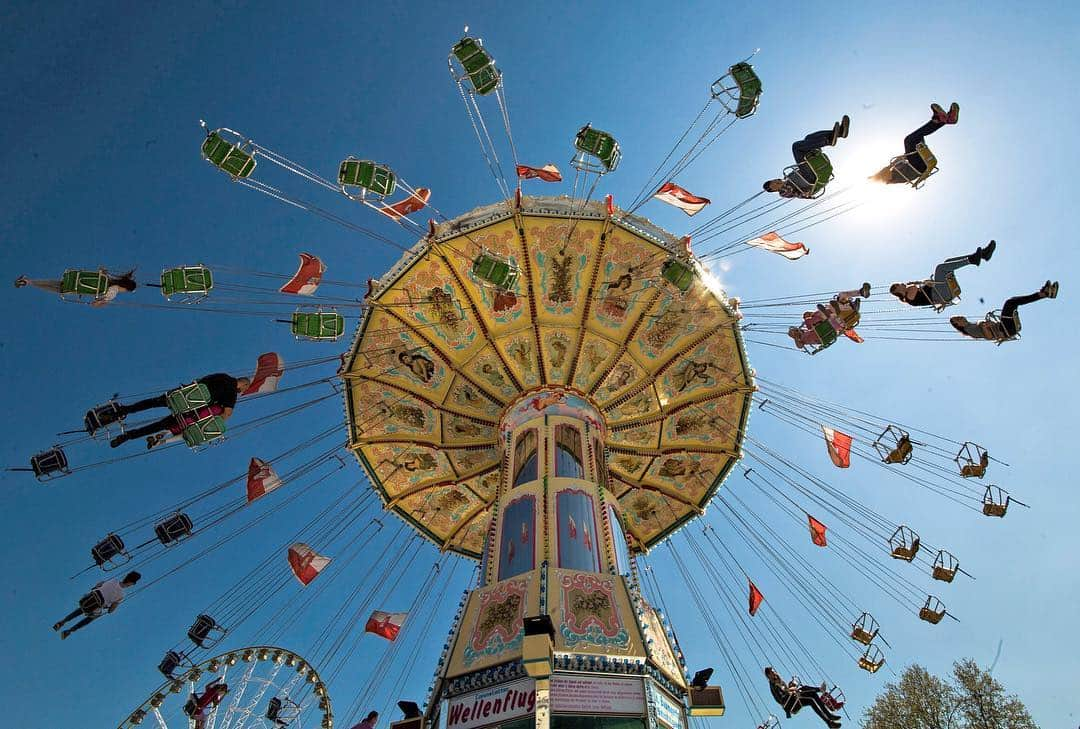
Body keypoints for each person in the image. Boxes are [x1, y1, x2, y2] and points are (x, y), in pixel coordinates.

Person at [98, 373, 251, 449]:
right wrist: (216, 424)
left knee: (152, 403)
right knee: (159, 426)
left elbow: (201, 381)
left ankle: (121, 411)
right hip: (191, 411)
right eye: (244, 389)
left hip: (183, 397)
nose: (242, 392)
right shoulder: (231, 393)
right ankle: (128, 436)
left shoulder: (223, 376)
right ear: (243, 385)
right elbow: (227, 413)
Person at [763, 116, 850, 198]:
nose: (775, 182)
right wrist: (805, 194)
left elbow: (800, 167)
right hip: (810, 179)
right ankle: (827, 140)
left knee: (808, 138)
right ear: (773, 189)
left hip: (809, 171)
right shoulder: (782, 192)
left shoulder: (788, 176)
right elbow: (795, 193)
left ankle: (839, 133)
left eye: (773, 181)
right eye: (773, 185)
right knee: (796, 147)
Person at [889, 241, 995, 308]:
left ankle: (982, 255)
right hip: (941, 295)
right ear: (897, 290)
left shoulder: (911, 292)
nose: (902, 283)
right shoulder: (908, 298)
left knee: (947, 262)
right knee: (940, 268)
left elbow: (927, 285)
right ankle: (972, 260)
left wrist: (926, 283)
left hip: (940, 290)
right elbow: (914, 289)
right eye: (899, 284)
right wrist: (915, 283)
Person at [872, 103, 959, 184]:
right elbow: (884, 176)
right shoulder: (889, 179)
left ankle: (942, 120)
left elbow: (904, 157)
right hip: (918, 167)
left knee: (916, 138)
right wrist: (880, 173)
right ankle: (940, 121)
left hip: (917, 163)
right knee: (909, 140)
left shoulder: (896, 169)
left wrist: (898, 160)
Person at [950, 280, 1059, 341]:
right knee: (1010, 303)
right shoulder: (970, 329)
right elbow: (989, 337)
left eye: (957, 316)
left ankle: (1045, 293)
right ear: (958, 324)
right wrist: (984, 325)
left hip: (1005, 328)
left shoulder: (971, 325)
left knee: (1013, 302)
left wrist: (986, 324)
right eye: (957, 318)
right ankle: (1043, 294)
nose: (960, 316)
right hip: (1005, 329)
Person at [53, 571, 140, 639]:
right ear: (131, 583)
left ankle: (62, 622)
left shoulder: (113, 580)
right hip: (95, 606)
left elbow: (99, 584)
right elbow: (111, 611)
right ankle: (70, 631)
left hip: (88, 598)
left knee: (81, 609)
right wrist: (110, 606)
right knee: (94, 616)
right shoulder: (121, 595)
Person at [788, 283, 870, 349]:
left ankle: (861, 293)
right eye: (795, 332)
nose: (796, 332)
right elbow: (800, 346)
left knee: (841, 295)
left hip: (839, 315)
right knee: (825, 312)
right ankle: (845, 308)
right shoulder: (804, 337)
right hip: (832, 322)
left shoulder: (810, 323)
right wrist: (796, 336)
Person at [15, 269, 137, 307]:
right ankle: (27, 282)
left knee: (53, 283)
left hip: (73, 281)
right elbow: (96, 303)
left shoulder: (111, 279)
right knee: (51, 288)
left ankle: (28, 280)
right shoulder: (113, 293)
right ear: (125, 289)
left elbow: (101, 271)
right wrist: (98, 303)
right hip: (74, 289)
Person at [765, 667, 841, 728]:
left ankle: (829, 720)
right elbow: (781, 698)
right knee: (804, 688)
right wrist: (792, 690)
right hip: (789, 704)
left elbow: (786, 690)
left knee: (812, 697)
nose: (774, 672)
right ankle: (820, 689)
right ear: (769, 675)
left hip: (793, 699)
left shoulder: (778, 680)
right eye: (772, 672)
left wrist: (791, 687)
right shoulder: (773, 686)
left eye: (774, 671)